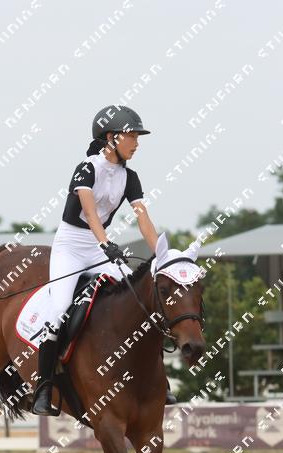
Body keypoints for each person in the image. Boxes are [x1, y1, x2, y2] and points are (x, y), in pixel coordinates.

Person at [32, 105, 176, 415]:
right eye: (132, 136)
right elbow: (89, 213)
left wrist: (163, 256)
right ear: (111, 138)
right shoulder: (86, 168)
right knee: (58, 309)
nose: (136, 143)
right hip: (71, 246)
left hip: (100, 249)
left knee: (139, 299)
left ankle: (161, 382)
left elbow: (143, 218)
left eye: (137, 137)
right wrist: (105, 242)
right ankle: (43, 387)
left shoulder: (130, 177)